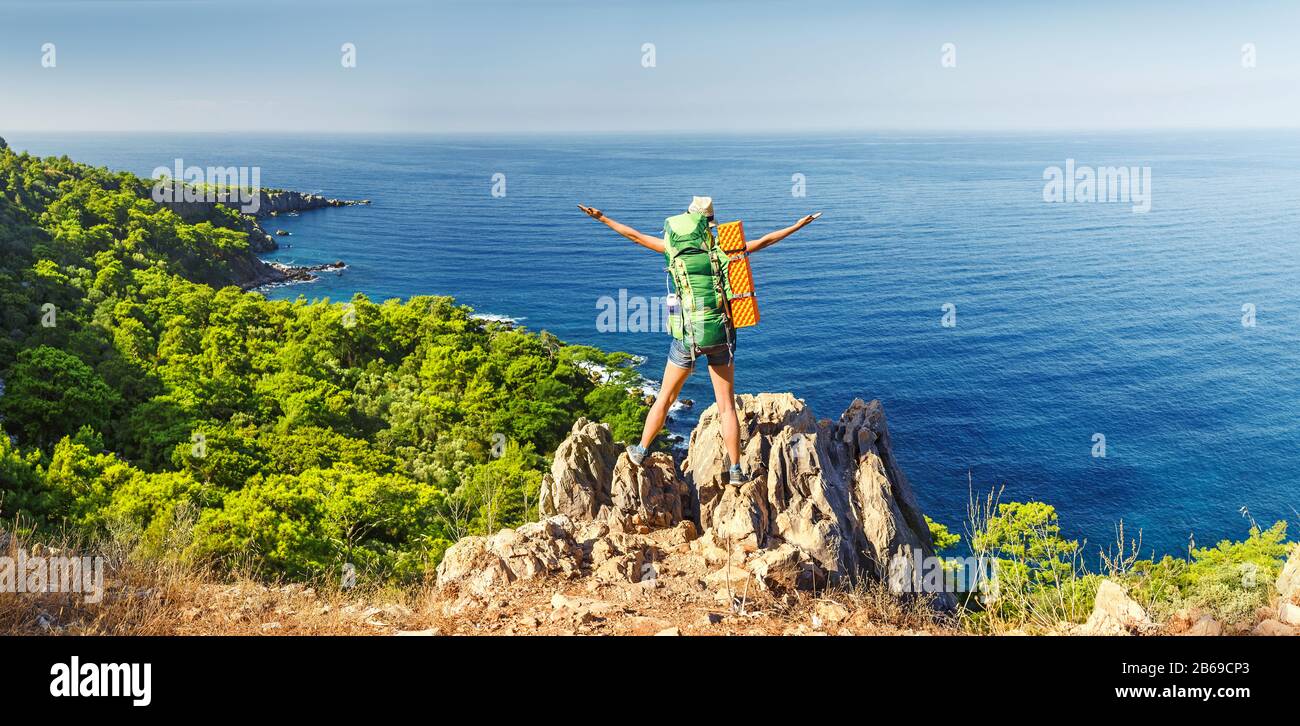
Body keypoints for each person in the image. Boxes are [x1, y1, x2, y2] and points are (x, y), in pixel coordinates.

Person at [577, 196, 819, 485]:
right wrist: (796, 225)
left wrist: (602, 218)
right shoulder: (723, 253)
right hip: (720, 336)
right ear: (708, 227)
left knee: (665, 399)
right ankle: (736, 470)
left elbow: (635, 237)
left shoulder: (673, 252)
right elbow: (766, 241)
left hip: (688, 337)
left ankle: (641, 450)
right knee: (727, 406)